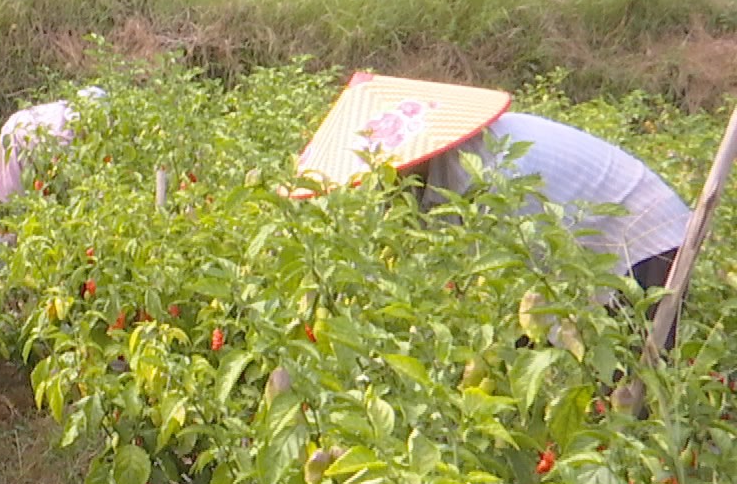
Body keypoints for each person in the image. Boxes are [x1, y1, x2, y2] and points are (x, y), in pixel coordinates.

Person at [294, 72, 692, 340]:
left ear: (413, 157)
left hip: (646, 234)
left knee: (635, 370)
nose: (384, 188)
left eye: (388, 173)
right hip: (586, 242)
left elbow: (522, 277)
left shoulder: (488, 173)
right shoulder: (436, 172)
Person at [0, 85, 107, 203]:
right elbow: (58, 167)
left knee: (23, 185)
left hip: (23, 127)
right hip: (20, 131)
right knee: (16, 188)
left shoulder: (67, 112)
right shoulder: (63, 131)